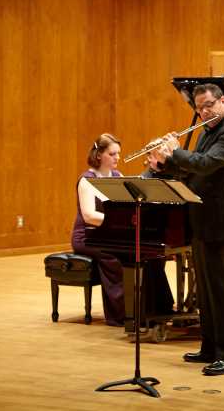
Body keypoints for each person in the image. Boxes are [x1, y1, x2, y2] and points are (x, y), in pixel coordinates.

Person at [148, 83, 224, 376]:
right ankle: (209, 347)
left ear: (223, 102)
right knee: (204, 291)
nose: (204, 111)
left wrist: (175, 151)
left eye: (208, 105)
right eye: (199, 107)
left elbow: (204, 164)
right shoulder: (208, 132)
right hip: (202, 221)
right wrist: (162, 164)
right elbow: (191, 171)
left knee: (222, 291)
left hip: (220, 222)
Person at [72, 133, 174, 327]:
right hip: (88, 236)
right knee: (117, 257)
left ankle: (156, 308)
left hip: (110, 233)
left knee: (150, 254)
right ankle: (124, 314)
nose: (117, 158)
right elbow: (89, 216)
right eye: (112, 154)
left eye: (118, 153)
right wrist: (116, 223)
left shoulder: (117, 177)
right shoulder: (87, 180)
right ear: (99, 155)